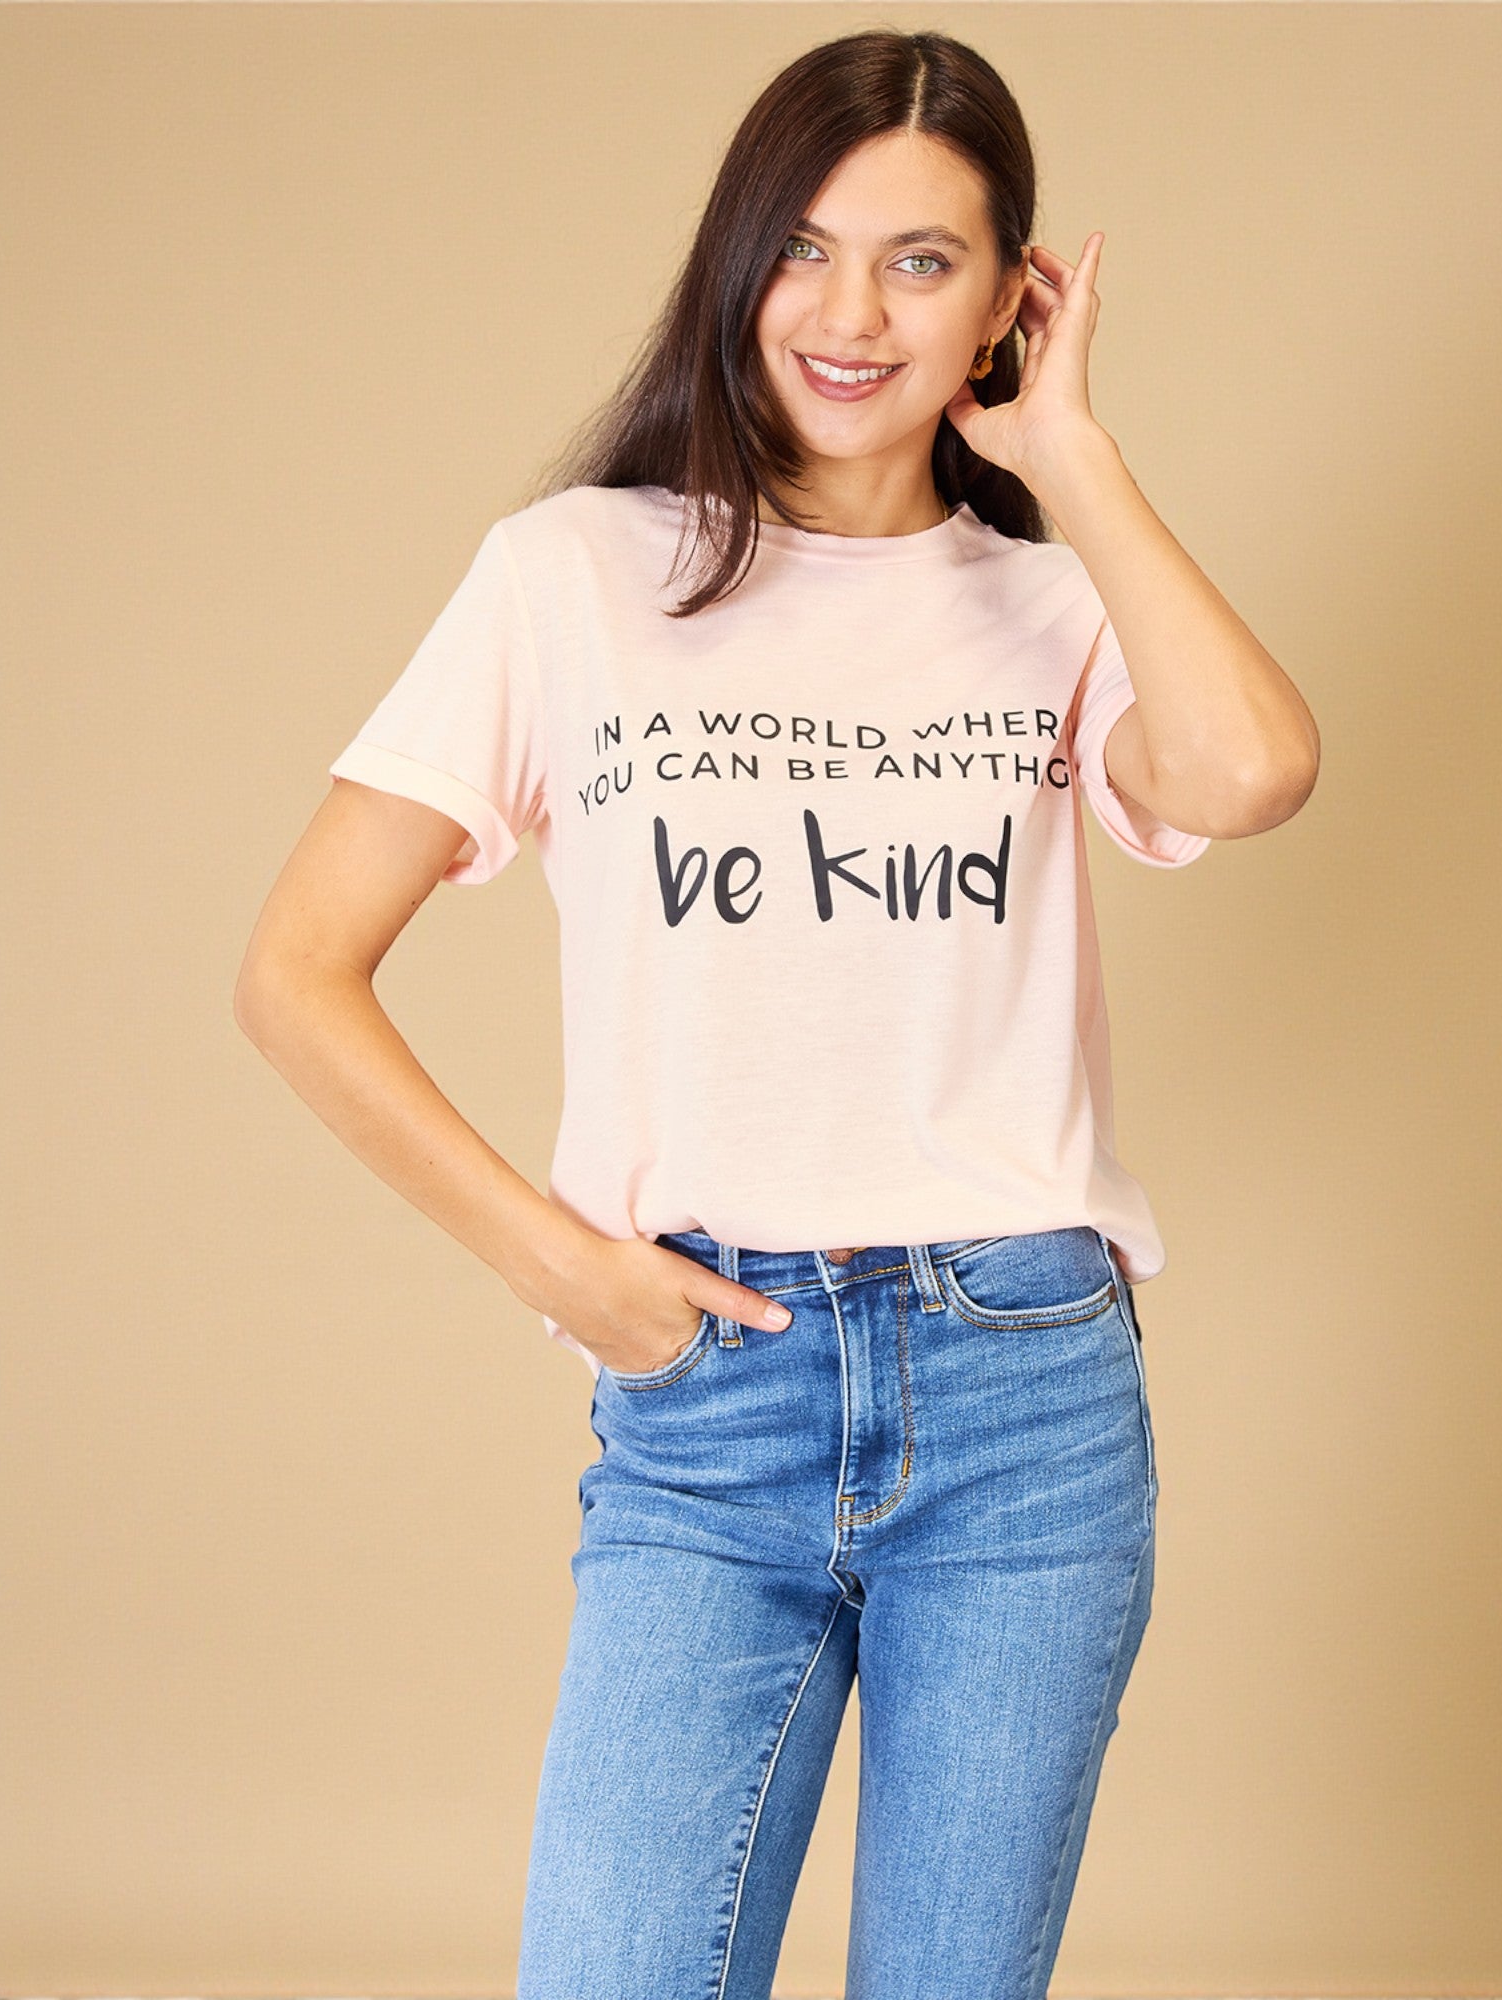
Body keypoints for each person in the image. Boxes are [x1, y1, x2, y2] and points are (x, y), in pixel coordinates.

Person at [234, 26, 1318, 2000]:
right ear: (734, 266)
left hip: (1022, 1391)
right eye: (801, 249)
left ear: (1010, 300)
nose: (846, 311)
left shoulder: (1053, 608)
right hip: (704, 1397)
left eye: (920, 261)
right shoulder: (573, 577)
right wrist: (557, 1260)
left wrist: (1067, 451)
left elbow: (1246, 771)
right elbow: (295, 969)